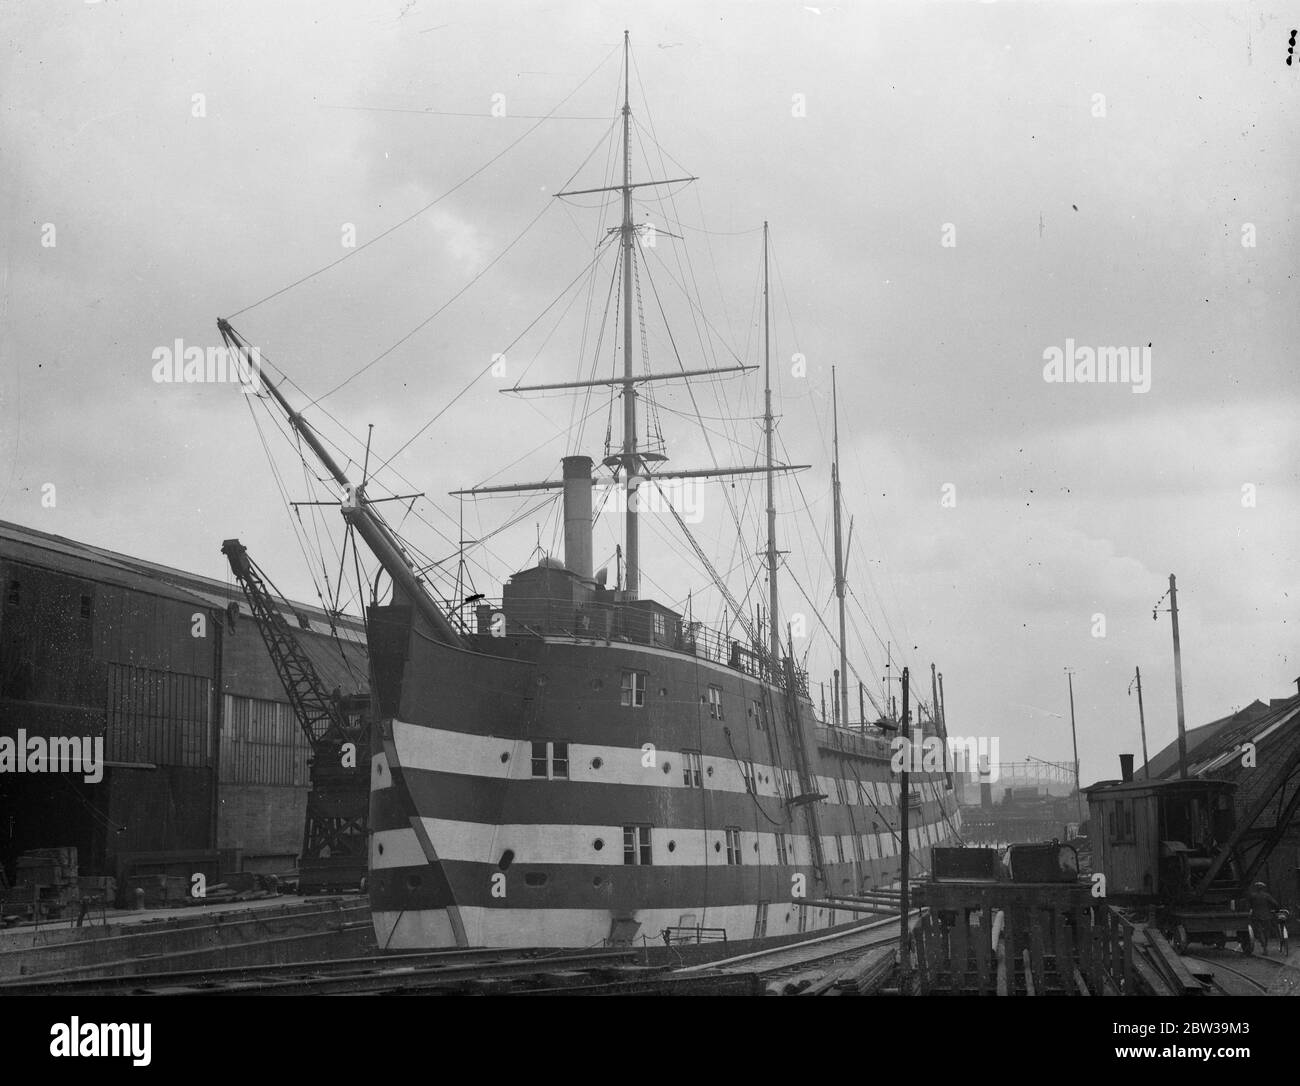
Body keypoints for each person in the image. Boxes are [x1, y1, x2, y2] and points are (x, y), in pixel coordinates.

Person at [1245, 881, 1280, 954]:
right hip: (1267, 916)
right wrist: (1276, 910)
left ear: (1256, 888)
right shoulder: (1267, 895)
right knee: (1266, 932)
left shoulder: (1252, 896)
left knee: (1259, 932)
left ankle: (1264, 947)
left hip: (1256, 916)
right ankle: (1265, 946)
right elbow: (1275, 904)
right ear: (1263, 888)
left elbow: (1249, 906)